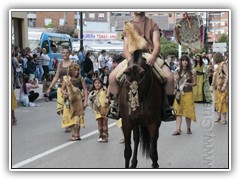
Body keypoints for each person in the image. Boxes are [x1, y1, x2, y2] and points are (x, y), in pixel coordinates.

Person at [107, 12, 175, 121]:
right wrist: (129, 59)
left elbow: (157, 44)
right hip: (131, 57)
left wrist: (153, 57)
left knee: (170, 77)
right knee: (111, 77)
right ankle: (115, 106)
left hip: (149, 55)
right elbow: (125, 47)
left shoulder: (153, 24)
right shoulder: (128, 26)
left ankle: (167, 108)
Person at [46, 46, 73, 132]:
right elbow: (56, 76)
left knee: (69, 106)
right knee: (61, 107)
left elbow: (76, 75)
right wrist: (50, 87)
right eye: (63, 53)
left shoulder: (73, 63)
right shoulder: (60, 64)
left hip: (69, 88)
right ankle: (67, 121)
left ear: (69, 54)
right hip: (60, 87)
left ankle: (68, 123)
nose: (65, 54)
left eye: (67, 53)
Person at [61, 63, 88, 141]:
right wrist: (64, 93)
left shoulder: (81, 79)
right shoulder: (66, 79)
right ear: (71, 71)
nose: (76, 72)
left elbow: (85, 90)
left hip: (79, 101)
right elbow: (62, 89)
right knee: (71, 118)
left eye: (77, 70)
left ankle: (77, 135)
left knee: (78, 117)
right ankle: (73, 134)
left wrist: (85, 100)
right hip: (69, 101)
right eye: (74, 70)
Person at [172, 55, 197, 135]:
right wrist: (175, 80)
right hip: (179, 94)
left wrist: (189, 84)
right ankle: (178, 129)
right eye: (183, 60)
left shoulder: (192, 71)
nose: (184, 62)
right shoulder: (177, 70)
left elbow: (195, 83)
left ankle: (188, 128)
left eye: (186, 60)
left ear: (188, 62)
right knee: (178, 111)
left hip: (188, 93)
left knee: (188, 111)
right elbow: (174, 83)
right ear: (180, 62)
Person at [89, 78, 109, 142]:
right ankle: (100, 135)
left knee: (104, 123)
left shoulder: (104, 90)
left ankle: (105, 135)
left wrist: (108, 100)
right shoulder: (92, 93)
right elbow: (90, 102)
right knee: (99, 123)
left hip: (104, 109)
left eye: (99, 83)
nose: (97, 84)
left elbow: (108, 97)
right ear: (93, 84)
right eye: (95, 83)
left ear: (101, 84)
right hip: (97, 110)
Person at [211, 52, 228, 124]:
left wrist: (224, 85)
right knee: (217, 101)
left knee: (223, 101)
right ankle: (219, 117)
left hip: (222, 87)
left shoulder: (223, 64)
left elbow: (228, 75)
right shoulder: (217, 66)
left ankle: (224, 119)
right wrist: (212, 86)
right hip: (217, 87)